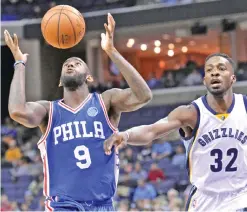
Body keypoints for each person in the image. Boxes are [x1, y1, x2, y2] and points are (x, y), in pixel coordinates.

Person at [5, 13, 152, 211]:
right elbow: (16, 110)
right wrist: (19, 63)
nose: (70, 64)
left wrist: (111, 51)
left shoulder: (106, 101)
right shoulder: (49, 110)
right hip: (63, 205)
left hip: (102, 205)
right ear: (59, 81)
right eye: (66, 65)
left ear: (89, 77)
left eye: (77, 63)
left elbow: (143, 95)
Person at [104, 53, 247, 211]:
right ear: (204, 79)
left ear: (233, 78)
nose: (215, 72)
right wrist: (126, 135)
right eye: (209, 70)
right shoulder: (191, 113)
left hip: (241, 196)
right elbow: (152, 130)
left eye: (221, 68)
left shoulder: (245, 107)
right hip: (205, 200)